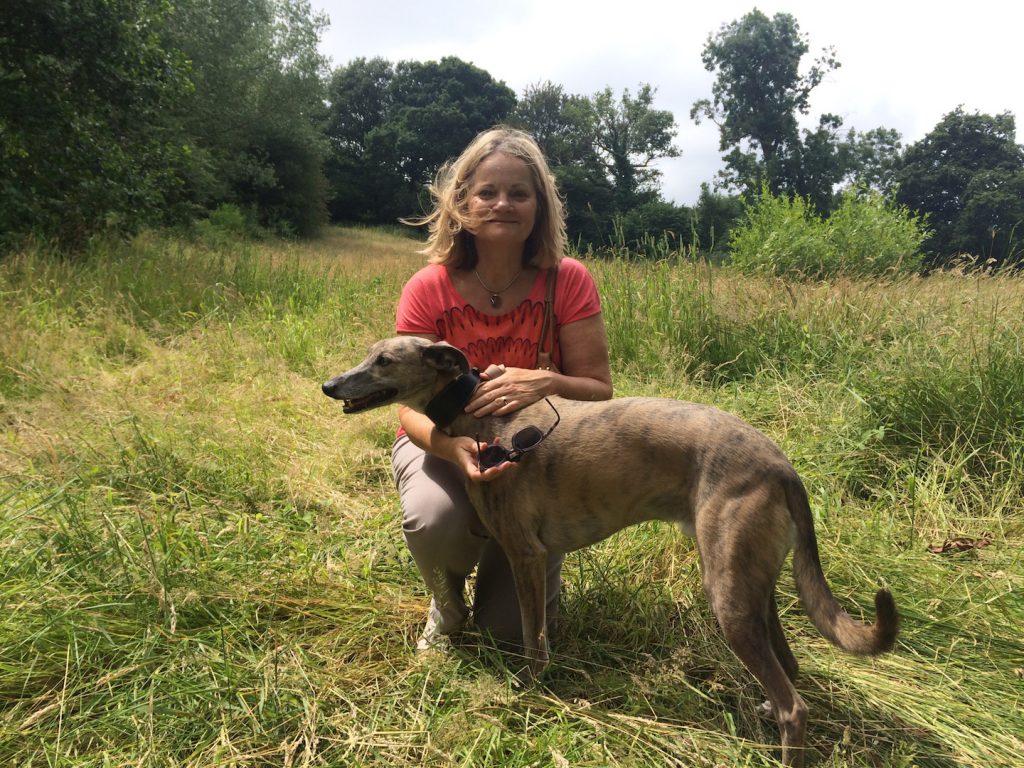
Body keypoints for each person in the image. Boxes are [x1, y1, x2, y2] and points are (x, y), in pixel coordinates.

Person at [391, 126, 613, 651]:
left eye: (519, 193)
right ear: (462, 202)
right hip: (443, 444)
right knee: (433, 519)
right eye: (487, 192)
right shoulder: (429, 287)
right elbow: (406, 408)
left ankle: (511, 560)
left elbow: (599, 390)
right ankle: (446, 606)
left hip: (537, 459)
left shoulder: (569, 280)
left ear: (540, 206)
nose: (502, 204)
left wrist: (547, 380)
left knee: (509, 638)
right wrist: (449, 446)